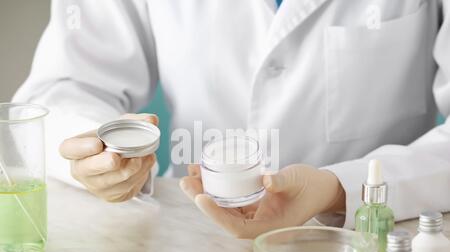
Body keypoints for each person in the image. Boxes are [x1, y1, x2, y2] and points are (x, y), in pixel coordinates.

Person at [13, 0, 450, 238]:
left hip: (372, 235)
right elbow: (66, 86)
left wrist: (340, 188)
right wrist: (96, 151)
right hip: (187, 237)